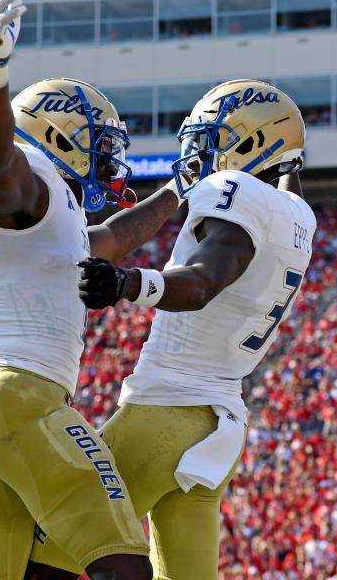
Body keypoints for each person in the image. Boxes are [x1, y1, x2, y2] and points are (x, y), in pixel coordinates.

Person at [0, 0, 180, 580]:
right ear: (60, 135)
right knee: (124, 559)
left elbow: (115, 237)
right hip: (21, 401)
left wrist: (180, 190)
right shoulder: (30, 179)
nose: (110, 163)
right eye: (100, 148)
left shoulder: (56, 213)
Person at [30, 79, 315, 580]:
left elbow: (204, 280)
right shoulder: (296, 214)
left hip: (164, 413)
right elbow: (286, 183)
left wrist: (129, 283)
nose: (197, 154)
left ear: (249, 143)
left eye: (211, 140)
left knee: (46, 558)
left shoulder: (237, 190)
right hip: (219, 421)